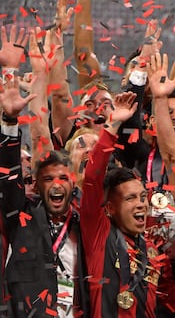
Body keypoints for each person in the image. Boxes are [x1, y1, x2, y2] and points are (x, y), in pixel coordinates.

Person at [81, 92, 175, 318]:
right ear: (110, 208)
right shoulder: (99, 234)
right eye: (130, 199)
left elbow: (168, 295)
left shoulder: (153, 248)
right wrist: (114, 123)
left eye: (143, 197)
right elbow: (92, 178)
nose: (141, 205)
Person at [0, 75, 87, 317]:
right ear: (36, 186)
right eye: (48, 179)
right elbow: (9, 175)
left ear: (72, 184)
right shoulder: (20, 216)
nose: (56, 185)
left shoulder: (86, 225)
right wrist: (9, 121)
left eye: (62, 178)